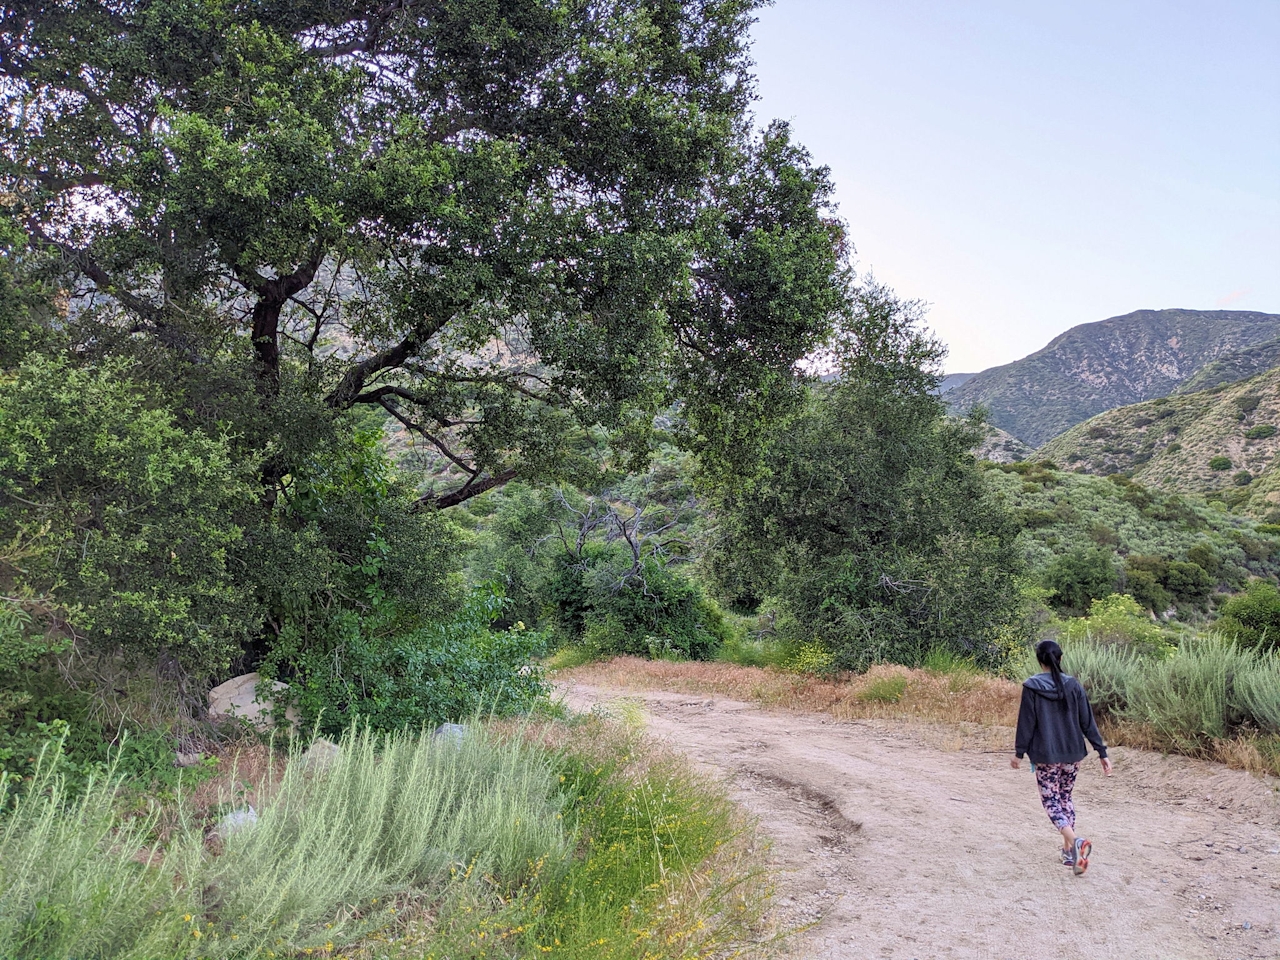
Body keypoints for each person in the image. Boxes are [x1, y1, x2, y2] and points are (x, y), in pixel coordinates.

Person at [1010, 639, 1112, 875]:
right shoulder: (1073, 685)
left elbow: (1026, 723)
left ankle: (1076, 842)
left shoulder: (1032, 686)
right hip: (1073, 752)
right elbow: (1087, 722)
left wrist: (1019, 752)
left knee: (1051, 801)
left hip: (1046, 754)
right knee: (1065, 796)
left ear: (1039, 660)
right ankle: (1068, 853)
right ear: (1061, 659)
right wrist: (1101, 752)